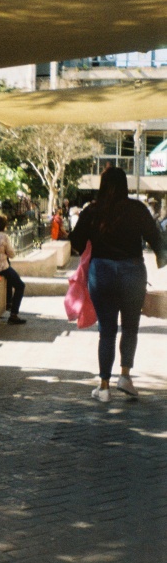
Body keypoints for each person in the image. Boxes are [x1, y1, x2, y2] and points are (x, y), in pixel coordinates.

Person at [70, 166, 166, 402]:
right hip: (132, 271)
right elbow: (156, 238)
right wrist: (160, 258)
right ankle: (125, 377)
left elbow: (76, 240)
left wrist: (91, 247)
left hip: (101, 271)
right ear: (124, 184)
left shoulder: (93, 210)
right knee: (131, 327)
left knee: (107, 331)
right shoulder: (137, 209)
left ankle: (103, 387)